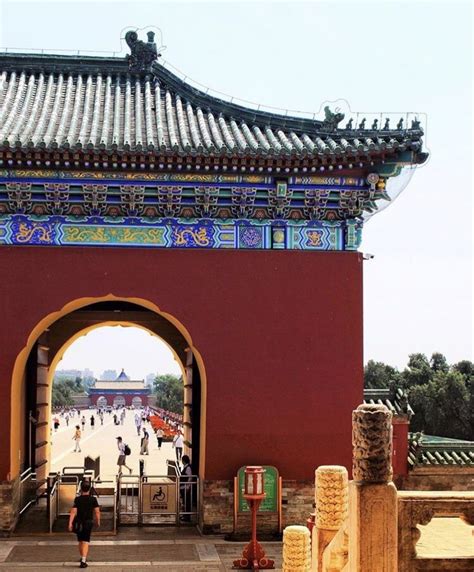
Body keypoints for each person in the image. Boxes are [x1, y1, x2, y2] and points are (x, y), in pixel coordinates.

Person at [68, 480, 100, 568]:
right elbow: (97, 511)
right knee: (86, 541)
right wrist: (98, 521)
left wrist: (70, 523)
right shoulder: (93, 499)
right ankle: (83, 560)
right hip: (88, 522)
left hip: (79, 523)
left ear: (81, 489)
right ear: (89, 489)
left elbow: (73, 511)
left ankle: (82, 557)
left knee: (80, 541)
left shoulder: (77, 499)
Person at [179, 455, 193, 522]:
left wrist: (187, 487)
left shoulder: (188, 468)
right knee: (184, 502)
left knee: (187, 502)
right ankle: (185, 515)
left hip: (185, 487)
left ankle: (187, 517)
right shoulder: (186, 467)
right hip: (183, 487)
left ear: (183, 461)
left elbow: (190, 477)